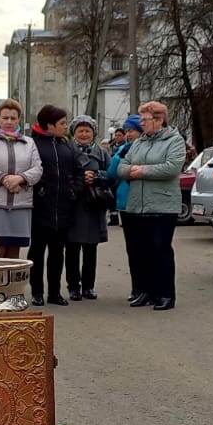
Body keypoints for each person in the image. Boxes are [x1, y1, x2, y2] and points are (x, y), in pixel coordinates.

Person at [119, 101, 186, 311]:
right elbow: (122, 166)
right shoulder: (139, 142)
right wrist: (131, 171)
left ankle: (165, 294)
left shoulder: (174, 141)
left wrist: (143, 171)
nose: (141, 123)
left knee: (161, 250)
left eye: (145, 119)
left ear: (159, 120)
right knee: (141, 252)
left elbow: (172, 168)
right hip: (137, 205)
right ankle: (144, 291)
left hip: (163, 205)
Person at [0, 99, 42, 259]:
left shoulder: (29, 142)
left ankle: (11, 285)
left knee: (14, 252)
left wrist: (20, 178)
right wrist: (4, 179)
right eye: (5, 118)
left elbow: (38, 168)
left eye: (13, 118)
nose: (9, 121)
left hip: (20, 204)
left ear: (19, 120)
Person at [28, 104, 80, 305]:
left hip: (64, 207)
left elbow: (78, 170)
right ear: (49, 125)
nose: (65, 126)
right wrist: (39, 189)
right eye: (62, 123)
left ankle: (55, 292)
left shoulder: (66, 145)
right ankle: (37, 292)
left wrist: (75, 189)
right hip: (41, 206)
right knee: (38, 251)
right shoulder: (33, 144)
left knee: (58, 253)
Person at [67, 114, 110, 300]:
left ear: (94, 133)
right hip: (73, 206)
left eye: (87, 130)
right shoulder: (67, 151)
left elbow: (112, 174)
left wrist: (98, 176)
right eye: (80, 130)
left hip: (94, 205)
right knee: (72, 249)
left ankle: (88, 287)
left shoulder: (102, 153)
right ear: (73, 133)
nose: (84, 134)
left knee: (91, 250)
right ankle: (73, 287)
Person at [107, 114, 145, 300]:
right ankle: (136, 288)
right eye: (127, 131)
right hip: (125, 203)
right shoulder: (123, 148)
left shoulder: (147, 149)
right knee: (133, 249)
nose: (129, 134)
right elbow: (113, 173)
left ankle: (148, 288)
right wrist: (119, 156)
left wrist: (129, 170)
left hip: (145, 203)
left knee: (146, 248)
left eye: (132, 130)